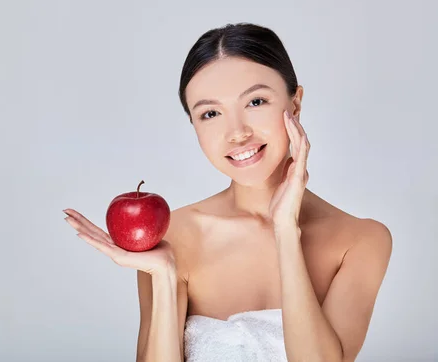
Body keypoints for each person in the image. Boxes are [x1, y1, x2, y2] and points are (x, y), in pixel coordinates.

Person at [63, 22, 393, 362]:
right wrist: (164, 275)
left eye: (256, 101)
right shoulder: (171, 234)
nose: (236, 133)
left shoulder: (362, 240)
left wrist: (285, 231)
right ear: (194, 126)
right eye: (210, 113)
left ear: (295, 104)